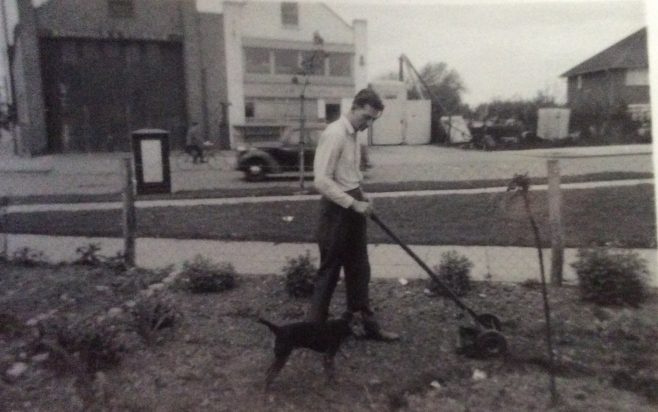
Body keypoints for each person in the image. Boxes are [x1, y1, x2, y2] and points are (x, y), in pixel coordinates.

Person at [308, 88, 399, 342]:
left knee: (360, 269)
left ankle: (368, 327)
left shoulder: (354, 135)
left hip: (353, 205)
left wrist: (362, 195)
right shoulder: (335, 134)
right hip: (336, 213)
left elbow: (349, 175)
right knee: (329, 272)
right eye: (367, 117)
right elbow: (322, 182)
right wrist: (353, 203)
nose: (368, 124)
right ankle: (312, 331)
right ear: (355, 107)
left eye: (373, 120)